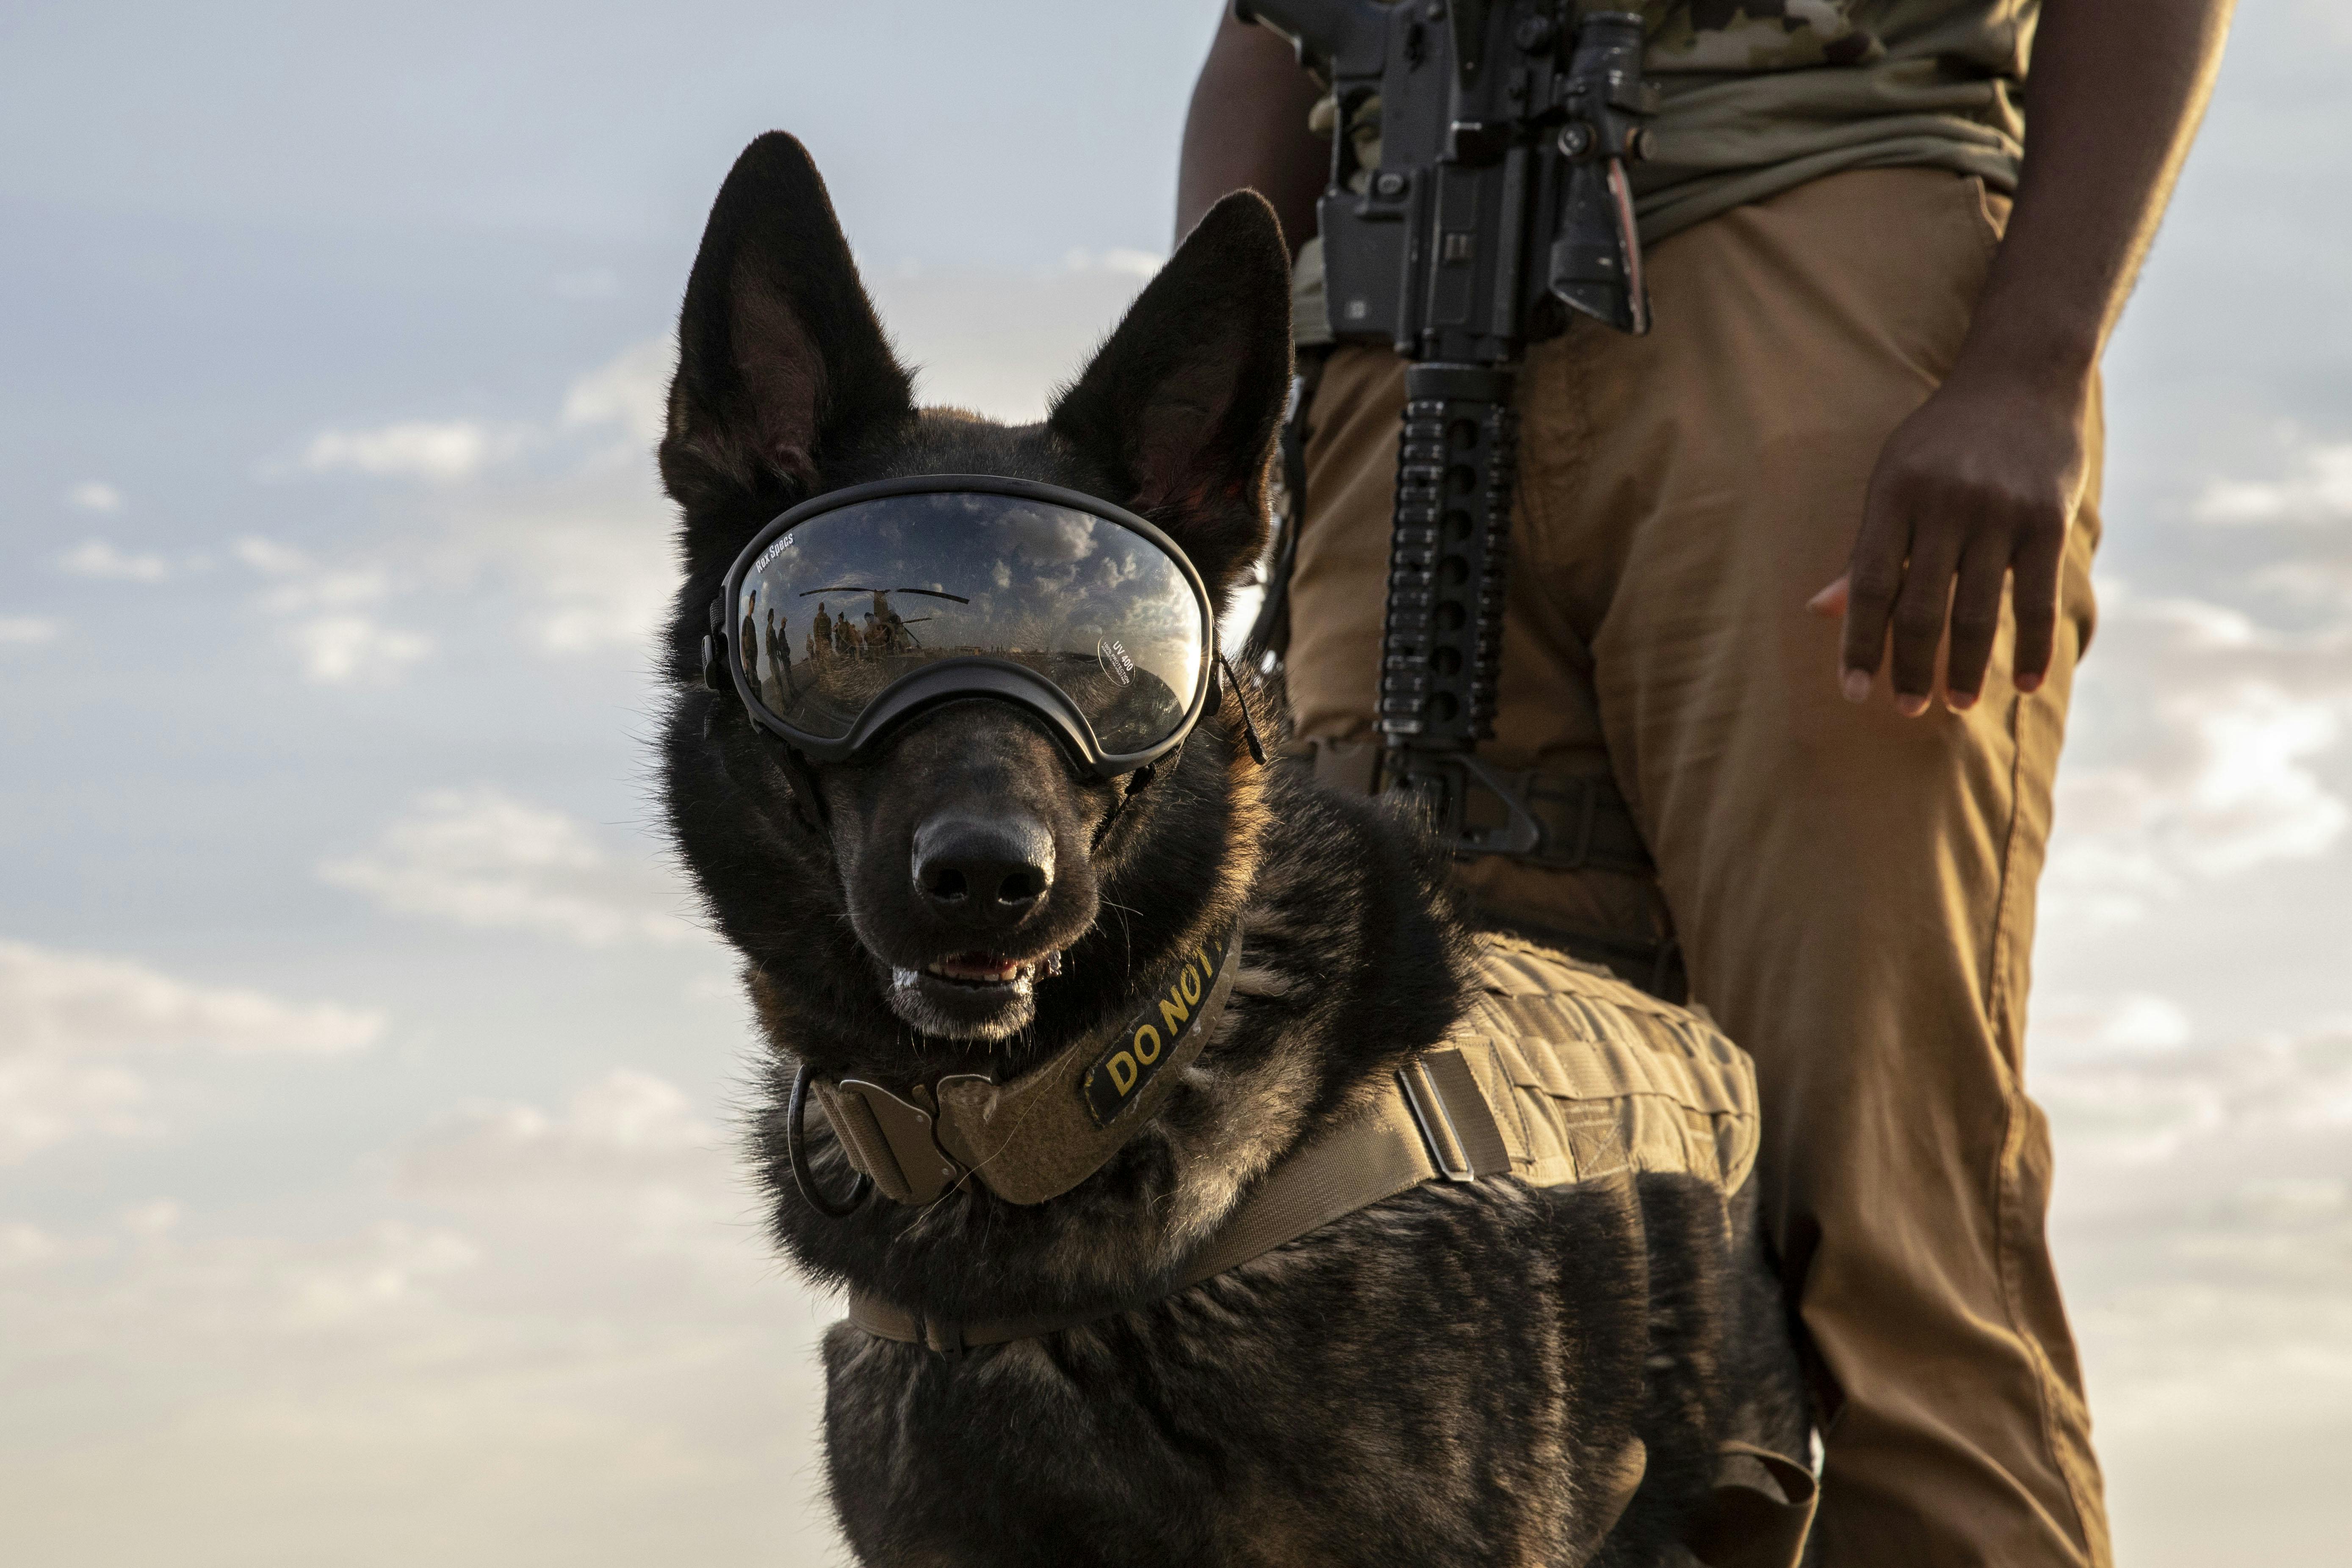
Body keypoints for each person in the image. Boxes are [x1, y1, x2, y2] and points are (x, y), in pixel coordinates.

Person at [1176, 4, 2233, 1566]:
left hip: (1810, 228)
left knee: (1868, 1190)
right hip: (1396, 342)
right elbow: (1258, 38)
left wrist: (2029, 370)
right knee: (1434, 1204)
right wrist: (1209, 411)